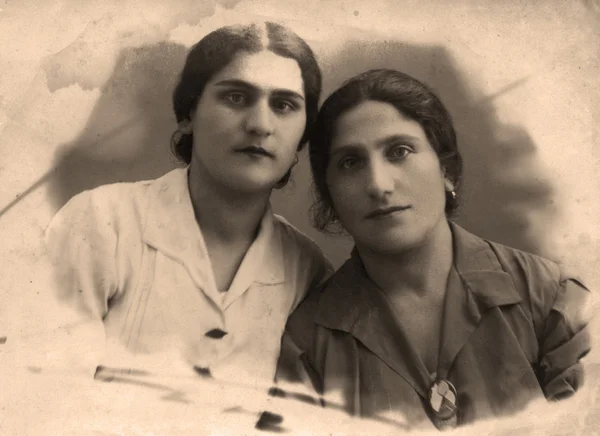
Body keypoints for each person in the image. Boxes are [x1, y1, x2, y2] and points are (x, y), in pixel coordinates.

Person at [281, 69, 591, 430]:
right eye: (351, 162)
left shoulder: (552, 297)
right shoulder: (305, 345)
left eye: (399, 151)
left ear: (447, 172)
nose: (379, 185)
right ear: (330, 195)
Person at [44, 21, 331, 387]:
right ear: (188, 114)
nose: (260, 124)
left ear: (302, 139)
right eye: (236, 97)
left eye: (284, 105)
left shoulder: (309, 271)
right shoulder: (102, 223)